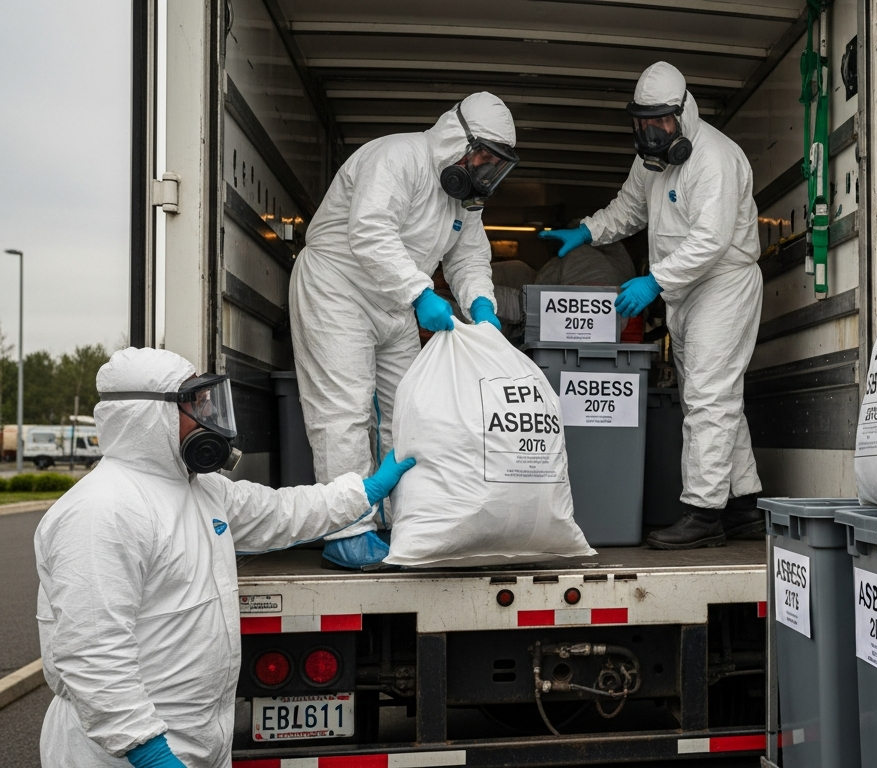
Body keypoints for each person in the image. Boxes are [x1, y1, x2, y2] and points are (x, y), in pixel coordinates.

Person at [35, 347, 417, 768]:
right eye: (194, 403)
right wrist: (147, 750)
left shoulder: (200, 489)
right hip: (121, 754)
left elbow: (281, 513)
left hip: (196, 742)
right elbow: (93, 653)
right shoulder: (102, 512)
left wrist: (365, 491)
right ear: (146, 416)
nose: (206, 413)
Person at [540, 61, 764, 549]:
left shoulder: (715, 159)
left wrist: (653, 280)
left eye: (659, 122)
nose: (650, 133)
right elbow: (629, 209)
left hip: (722, 285)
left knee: (709, 397)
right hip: (685, 290)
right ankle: (744, 506)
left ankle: (703, 514)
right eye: (642, 123)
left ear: (683, 114)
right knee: (712, 397)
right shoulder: (651, 162)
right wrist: (586, 231)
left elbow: (711, 240)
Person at [290, 92, 517, 569]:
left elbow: (468, 255)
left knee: (411, 411)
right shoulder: (396, 156)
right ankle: (348, 529)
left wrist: (481, 304)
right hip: (339, 287)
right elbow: (369, 231)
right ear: (459, 139)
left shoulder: (464, 199)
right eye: (482, 158)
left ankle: (404, 519)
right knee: (344, 410)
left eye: (495, 166)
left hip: (396, 301)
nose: (485, 172)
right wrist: (420, 293)